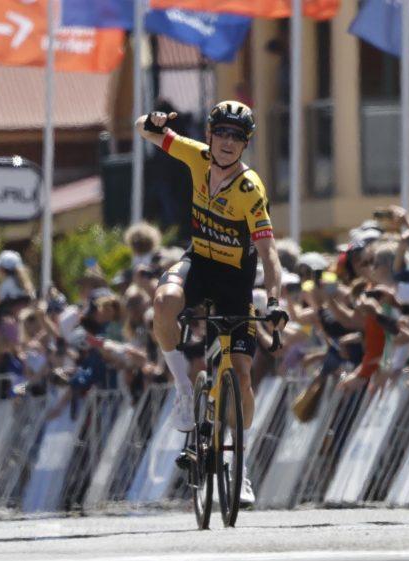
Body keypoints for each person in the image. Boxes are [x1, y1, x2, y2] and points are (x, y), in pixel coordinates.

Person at [136, 101, 289, 503]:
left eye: (236, 136)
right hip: (199, 262)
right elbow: (146, 131)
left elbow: (270, 254)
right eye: (221, 132)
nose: (226, 141)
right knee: (165, 299)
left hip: (235, 280)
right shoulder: (196, 155)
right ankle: (184, 386)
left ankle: (240, 463)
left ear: (245, 143)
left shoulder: (249, 189)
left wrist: (274, 301)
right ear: (209, 134)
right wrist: (149, 122)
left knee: (240, 375)